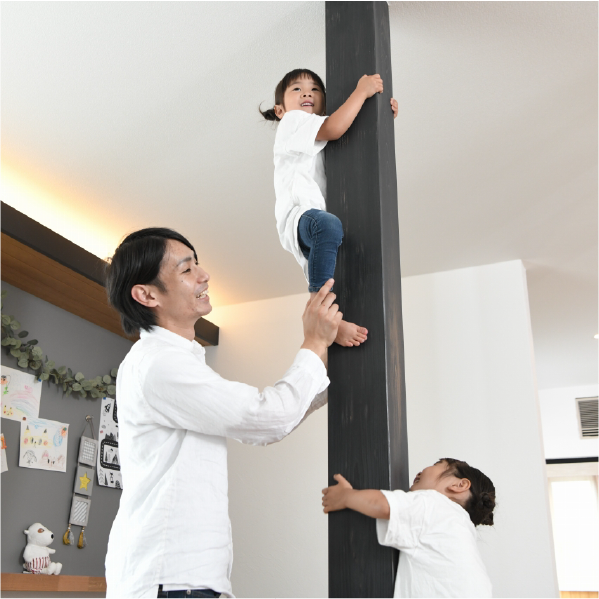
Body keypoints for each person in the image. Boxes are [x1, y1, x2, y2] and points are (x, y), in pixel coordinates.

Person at [104, 227, 342, 599]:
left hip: (180, 579)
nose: (204, 275)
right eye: (187, 270)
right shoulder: (159, 364)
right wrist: (313, 341)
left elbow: (270, 420)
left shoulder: (175, 361)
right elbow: (266, 419)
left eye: (197, 264)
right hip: (171, 579)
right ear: (147, 294)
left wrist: (328, 367)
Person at [260, 68, 398, 347]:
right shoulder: (293, 122)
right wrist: (362, 92)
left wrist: (380, 115)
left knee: (330, 258)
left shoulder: (316, 133)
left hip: (314, 222)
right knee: (328, 225)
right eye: (297, 89)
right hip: (299, 215)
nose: (307, 93)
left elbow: (347, 132)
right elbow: (335, 128)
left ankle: (329, 315)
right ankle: (320, 314)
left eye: (315, 89)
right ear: (280, 110)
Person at [321, 458, 495, 599]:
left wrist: (345, 496)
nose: (421, 471)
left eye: (437, 464)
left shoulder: (436, 504)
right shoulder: (461, 530)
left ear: (460, 485)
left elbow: (383, 505)